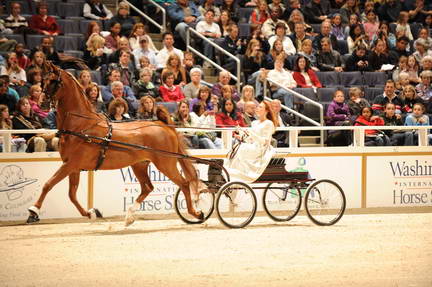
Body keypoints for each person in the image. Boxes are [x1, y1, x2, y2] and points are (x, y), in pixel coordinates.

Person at [224, 101, 278, 183]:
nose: (257, 108)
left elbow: (264, 141)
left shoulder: (268, 123)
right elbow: (250, 139)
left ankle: (239, 176)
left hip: (261, 148)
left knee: (242, 148)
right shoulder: (254, 123)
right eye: (258, 107)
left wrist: (251, 134)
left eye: (260, 107)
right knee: (237, 147)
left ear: (266, 110)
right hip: (253, 145)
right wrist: (241, 135)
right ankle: (232, 174)